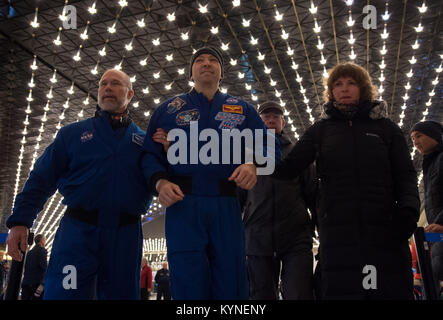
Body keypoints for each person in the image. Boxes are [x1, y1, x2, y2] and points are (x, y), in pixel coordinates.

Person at [273, 62, 420, 299]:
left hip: (384, 228)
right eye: (338, 84)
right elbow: (289, 168)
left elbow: (405, 174)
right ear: (331, 91)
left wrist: (409, 211)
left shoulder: (386, 129)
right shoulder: (320, 130)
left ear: (363, 88)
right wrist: (255, 152)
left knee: (387, 289)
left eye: (351, 83)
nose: (344, 88)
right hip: (337, 231)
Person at [142, 46, 280, 299]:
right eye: (200, 61)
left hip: (226, 204)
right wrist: (160, 182)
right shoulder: (168, 109)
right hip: (183, 204)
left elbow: (270, 146)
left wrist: (252, 164)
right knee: (187, 279)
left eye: (213, 60)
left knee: (232, 278)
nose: (206, 63)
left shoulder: (242, 110)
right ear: (191, 73)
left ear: (221, 72)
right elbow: (149, 154)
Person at [5, 69, 152, 300]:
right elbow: (41, 178)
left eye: (116, 84)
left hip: (125, 237)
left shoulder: (144, 142)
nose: (108, 88)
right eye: (103, 84)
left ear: (130, 94)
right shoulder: (72, 135)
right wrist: (20, 221)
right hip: (78, 234)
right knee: (66, 293)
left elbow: (161, 180)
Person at [239, 101, 316, 300]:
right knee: (260, 295)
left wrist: (316, 226)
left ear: (283, 123)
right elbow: (237, 196)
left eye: (275, 117)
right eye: (266, 117)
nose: (271, 120)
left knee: (298, 292)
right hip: (257, 237)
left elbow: (313, 193)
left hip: (295, 237)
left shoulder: (298, 153)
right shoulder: (245, 154)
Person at [410, 120, 443, 294]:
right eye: (413, 138)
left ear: (434, 136)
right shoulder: (431, 163)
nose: (415, 142)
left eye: (419, 136)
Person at [21, 234, 48, 300]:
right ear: (42, 241)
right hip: (36, 284)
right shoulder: (42, 251)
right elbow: (44, 267)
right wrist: (43, 283)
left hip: (26, 283)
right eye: (45, 239)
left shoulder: (29, 253)